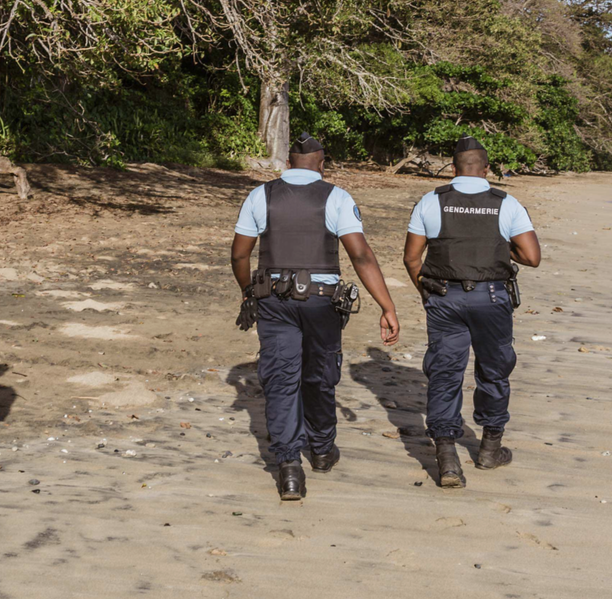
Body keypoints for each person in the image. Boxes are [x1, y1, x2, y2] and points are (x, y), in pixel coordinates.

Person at [231, 133, 401, 500]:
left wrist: (248, 292)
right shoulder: (336, 197)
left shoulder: (261, 195)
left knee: (280, 380)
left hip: (274, 301)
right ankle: (322, 451)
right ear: (322, 165)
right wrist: (387, 306)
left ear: (287, 163)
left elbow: (240, 254)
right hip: (322, 303)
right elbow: (361, 255)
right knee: (320, 376)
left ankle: (289, 468)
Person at [403, 136, 541, 488]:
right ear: (487, 170)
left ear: (453, 169)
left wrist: (426, 295)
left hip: (443, 298)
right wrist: (499, 247)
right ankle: (489, 450)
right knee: (494, 371)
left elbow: (412, 257)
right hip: (491, 298)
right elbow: (531, 257)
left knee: (444, 373)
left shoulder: (431, 201)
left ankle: (448, 460)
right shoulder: (506, 203)